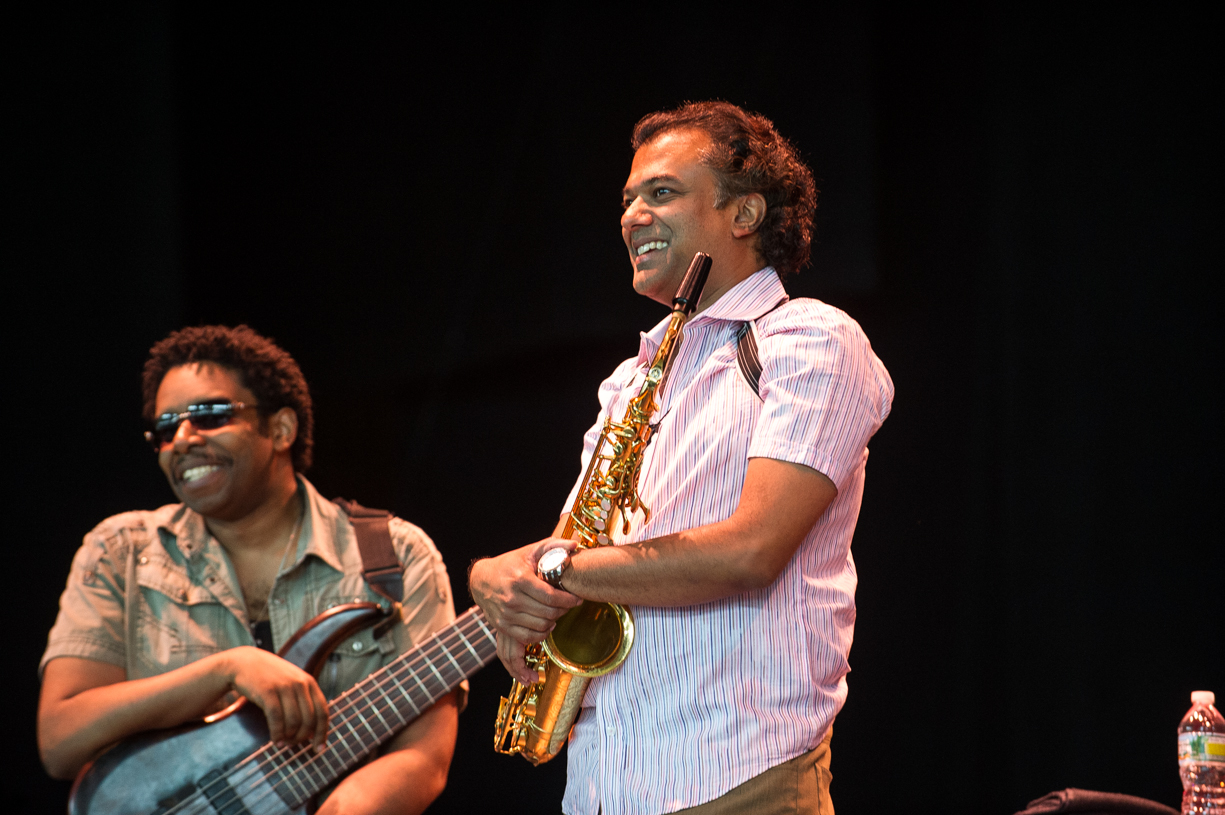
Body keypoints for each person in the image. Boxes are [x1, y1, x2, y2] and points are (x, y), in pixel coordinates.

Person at [469, 101, 894, 815]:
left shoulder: (809, 340)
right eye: (627, 199)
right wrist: (501, 583)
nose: (631, 215)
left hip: (739, 780)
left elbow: (748, 551)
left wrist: (550, 569)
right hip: (604, 791)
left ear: (745, 213)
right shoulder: (626, 383)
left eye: (660, 192)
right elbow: (572, 547)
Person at [38, 325, 460, 815]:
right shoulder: (120, 551)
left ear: (281, 429)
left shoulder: (395, 553)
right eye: (165, 428)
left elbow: (425, 755)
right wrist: (227, 670)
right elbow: (60, 741)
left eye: (209, 416)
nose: (182, 440)